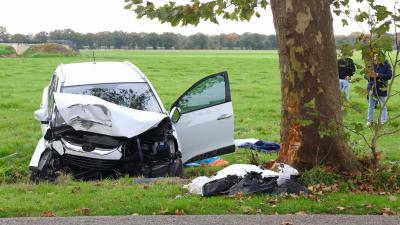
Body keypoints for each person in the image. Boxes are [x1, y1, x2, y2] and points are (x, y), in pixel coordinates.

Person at [365, 54, 392, 126]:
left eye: (378, 56)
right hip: (371, 87)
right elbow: (365, 75)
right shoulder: (370, 64)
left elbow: (389, 76)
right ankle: (370, 121)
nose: (376, 58)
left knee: (383, 105)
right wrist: (369, 76)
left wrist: (378, 75)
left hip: (381, 88)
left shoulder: (386, 64)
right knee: (371, 105)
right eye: (375, 56)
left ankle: (382, 121)